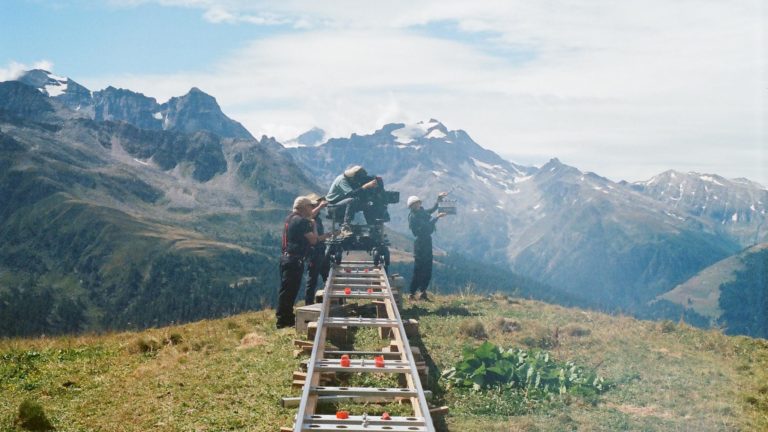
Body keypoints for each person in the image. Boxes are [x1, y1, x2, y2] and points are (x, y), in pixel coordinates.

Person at [276, 195, 333, 329]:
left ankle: (286, 318)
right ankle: (283, 321)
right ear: (303, 208)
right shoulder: (302, 222)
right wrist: (313, 225)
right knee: (290, 291)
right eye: (310, 206)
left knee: (286, 291)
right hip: (294, 260)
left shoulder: (290, 218)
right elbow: (313, 240)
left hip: (286, 259)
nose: (312, 209)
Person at [407, 193, 448, 301]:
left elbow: (431, 210)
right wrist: (437, 218)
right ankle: (412, 293)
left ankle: (422, 292)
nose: (417, 205)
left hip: (426, 242)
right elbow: (426, 228)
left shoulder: (421, 212)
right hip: (420, 244)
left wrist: (439, 199)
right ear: (411, 207)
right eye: (415, 204)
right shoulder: (414, 217)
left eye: (418, 203)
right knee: (419, 269)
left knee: (427, 268)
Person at [325, 165, 379, 233]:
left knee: (367, 205)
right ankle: (346, 226)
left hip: (342, 204)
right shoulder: (342, 180)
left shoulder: (350, 180)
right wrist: (365, 186)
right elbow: (351, 194)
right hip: (333, 206)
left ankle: (372, 227)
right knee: (352, 200)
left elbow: (358, 194)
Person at [305, 193, 331, 305]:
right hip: (313, 253)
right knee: (312, 280)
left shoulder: (318, 219)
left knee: (327, 276)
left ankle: (329, 301)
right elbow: (309, 216)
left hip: (321, 251)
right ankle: (309, 304)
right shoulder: (309, 219)